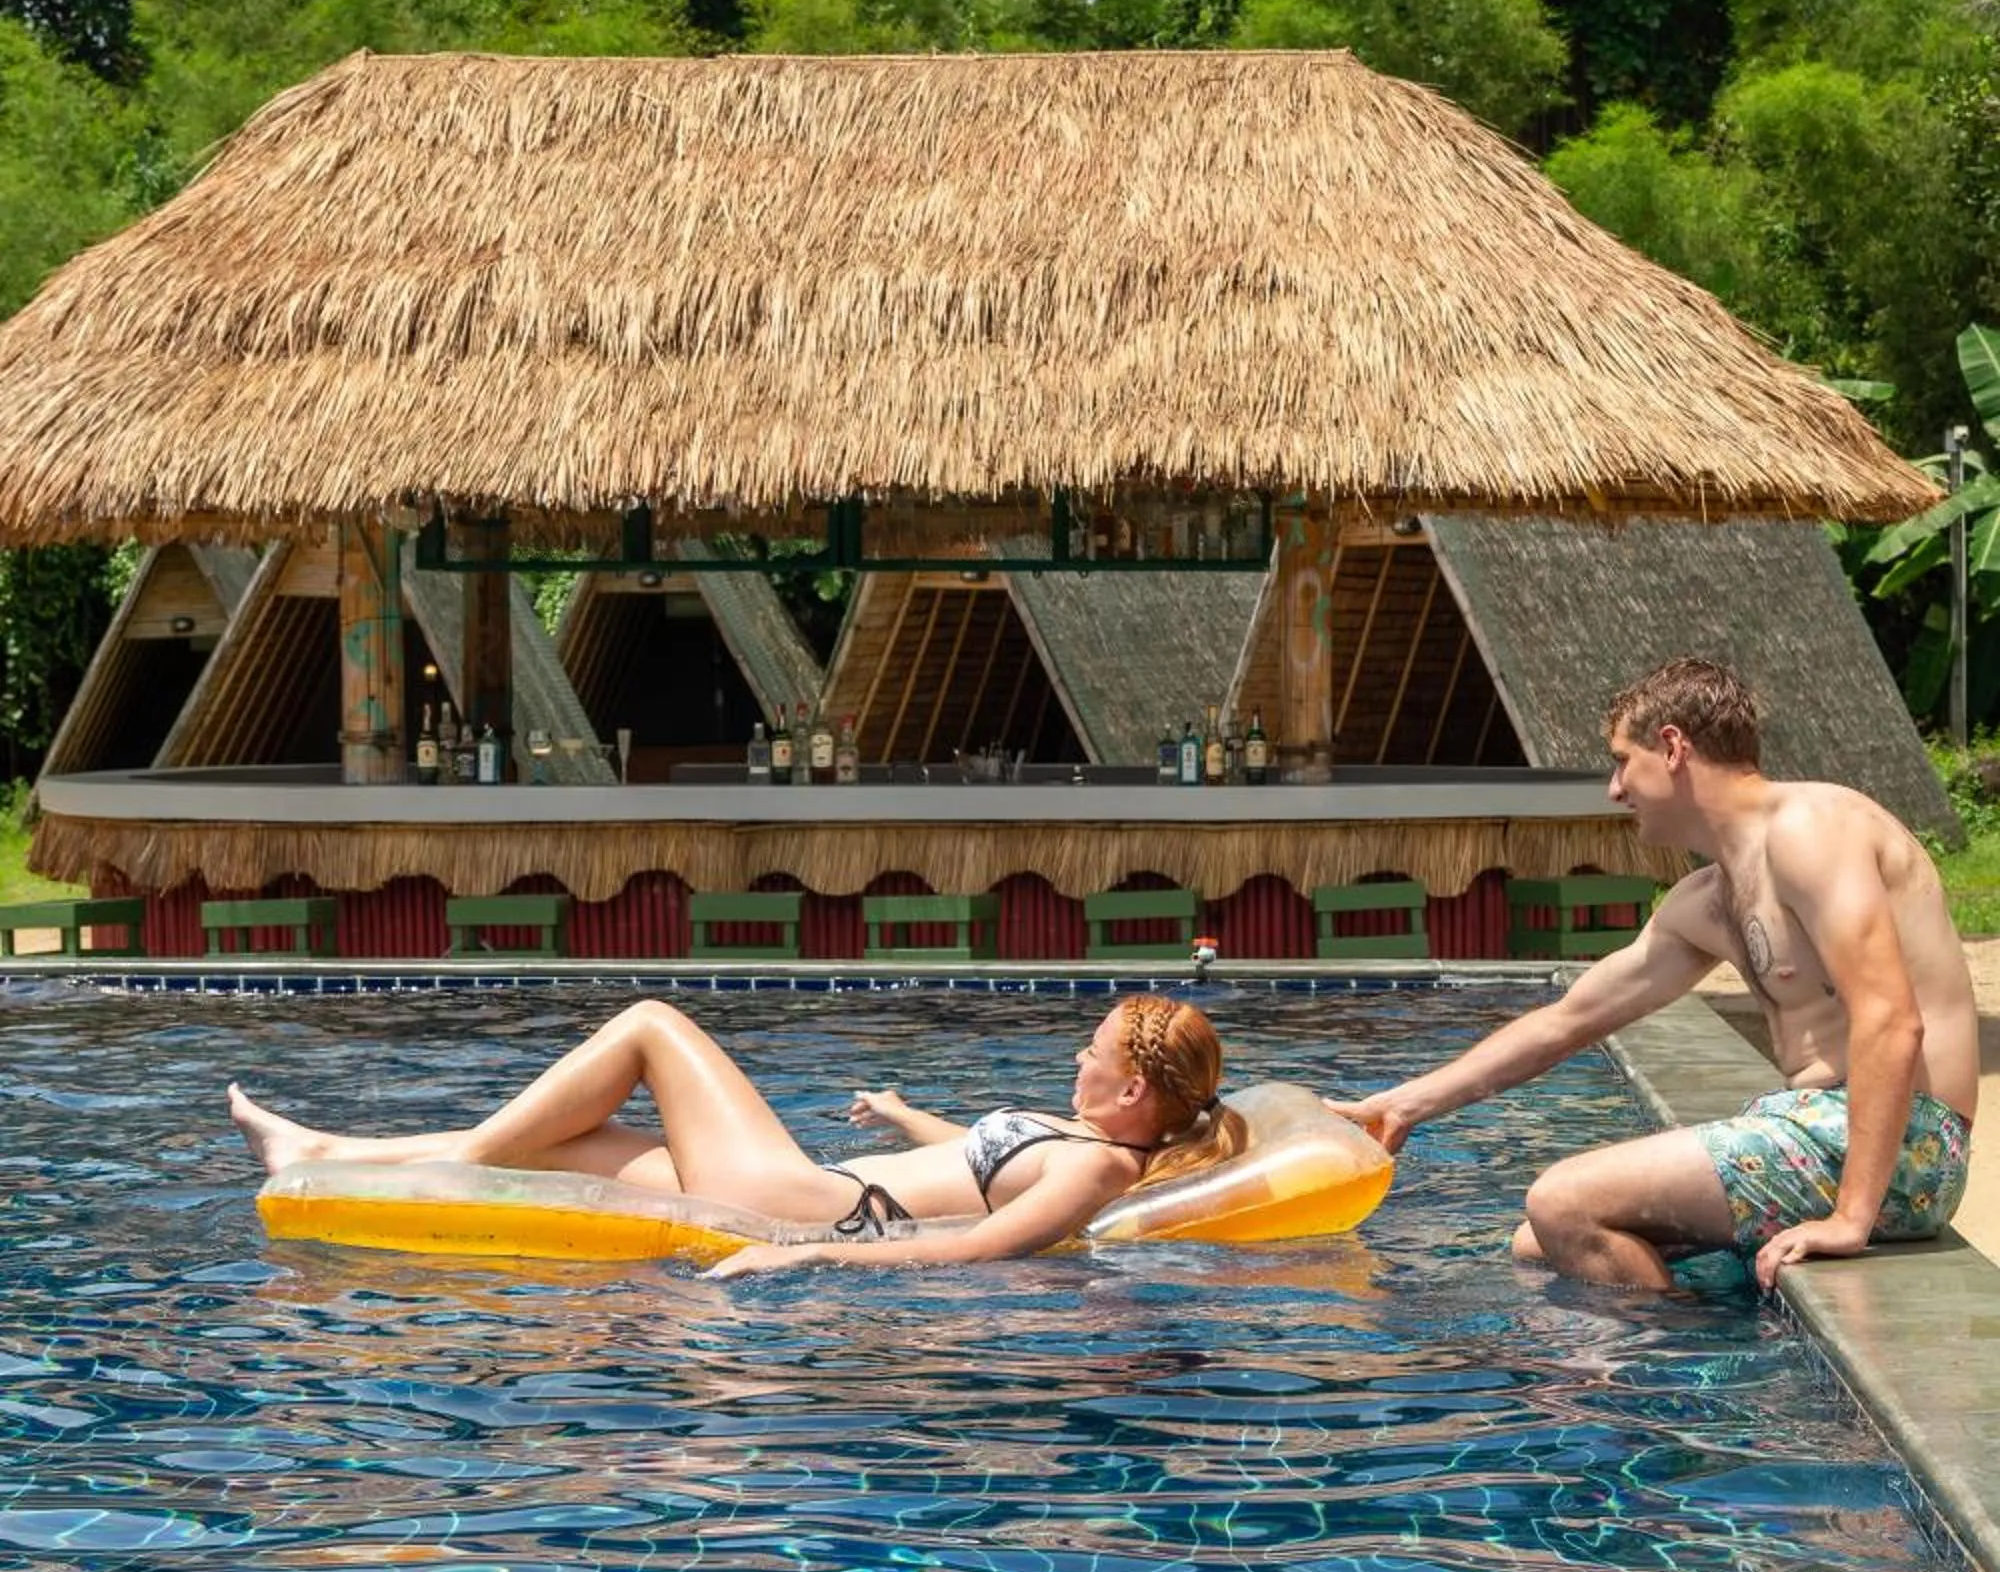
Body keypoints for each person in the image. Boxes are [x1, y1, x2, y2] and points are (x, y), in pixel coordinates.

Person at [1329, 658, 1977, 1297]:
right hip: (1810, 1131)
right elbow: (1567, 1020)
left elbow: (1891, 1018)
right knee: (1536, 1243)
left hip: (1909, 1147)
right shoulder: (1707, 900)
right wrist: (1401, 1106)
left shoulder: (1812, 828)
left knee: (1563, 1200)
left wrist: (1850, 1219)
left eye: (1621, 760)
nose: (1614, 789)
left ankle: (1674, 1392)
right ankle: (1691, 1355)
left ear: (1671, 746)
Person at [230, 989, 1244, 1273]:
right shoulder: (1084, 1135)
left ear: (1130, 1099)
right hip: (808, 1181)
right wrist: (904, 1117)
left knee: (651, 1026)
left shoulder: (1101, 1172)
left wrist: (794, 1258)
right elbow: (985, 1169)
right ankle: (321, 1153)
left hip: (790, 1204)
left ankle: (407, 1155)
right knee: (555, 1143)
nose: (1076, 1059)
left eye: (1091, 1056)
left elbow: (979, 1245)